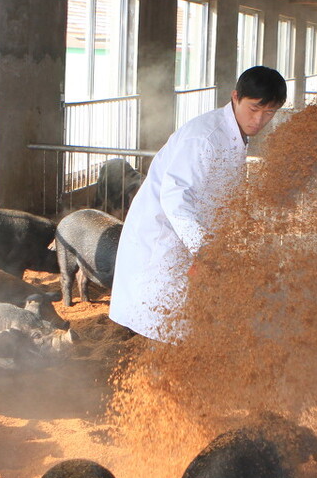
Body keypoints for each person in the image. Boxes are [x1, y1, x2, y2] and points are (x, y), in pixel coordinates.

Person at [109, 66, 287, 342]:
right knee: (165, 320)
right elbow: (175, 196)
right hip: (166, 238)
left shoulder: (234, 134)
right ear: (235, 97)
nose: (260, 119)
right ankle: (156, 380)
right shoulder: (205, 137)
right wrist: (204, 247)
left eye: (270, 113)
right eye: (254, 109)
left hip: (193, 239)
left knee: (185, 321)